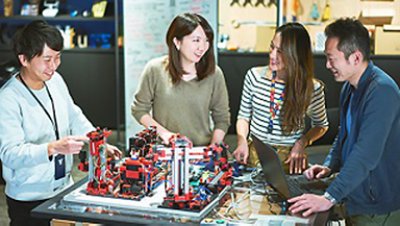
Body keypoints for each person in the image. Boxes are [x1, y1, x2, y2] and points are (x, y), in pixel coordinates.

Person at [0, 20, 121, 226]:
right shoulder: (8, 98)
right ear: (24, 59)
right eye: (47, 59)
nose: (53, 66)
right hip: (29, 198)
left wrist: (97, 142)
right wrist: (52, 148)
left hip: (64, 187)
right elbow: (10, 154)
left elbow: (74, 115)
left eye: (57, 58)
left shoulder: (55, 80)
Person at [288, 18, 400, 225]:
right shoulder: (350, 87)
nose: (327, 65)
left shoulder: (382, 91)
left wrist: (329, 197)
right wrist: (329, 166)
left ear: (355, 58)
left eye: (332, 59)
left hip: (377, 207)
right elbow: (344, 135)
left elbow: (366, 154)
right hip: (354, 194)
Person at [233, 22, 328, 174]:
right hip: (255, 155)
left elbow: (321, 125)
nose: (272, 55)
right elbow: (244, 116)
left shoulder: (312, 88)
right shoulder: (254, 77)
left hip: (290, 160)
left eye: (281, 51)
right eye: (272, 47)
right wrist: (242, 140)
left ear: (296, 54)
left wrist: (302, 143)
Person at [131, 13, 230, 146]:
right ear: (177, 42)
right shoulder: (155, 69)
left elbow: (222, 118)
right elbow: (139, 110)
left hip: (201, 151)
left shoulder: (214, 74)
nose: (202, 47)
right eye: (196, 40)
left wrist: (214, 148)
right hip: (164, 152)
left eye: (207, 40)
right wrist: (165, 134)